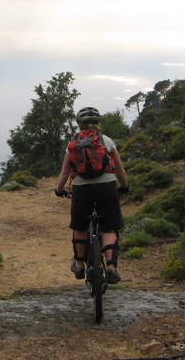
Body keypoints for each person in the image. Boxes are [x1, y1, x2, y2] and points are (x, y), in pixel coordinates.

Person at [54, 106, 128, 284]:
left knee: (79, 227)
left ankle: (79, 264)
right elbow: (119, 168)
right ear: (98, 123)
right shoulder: (107, 141)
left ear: (79, 125)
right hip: (106, 187)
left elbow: (65, 173)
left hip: (81, 189)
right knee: (109, 227)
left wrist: (59, 189)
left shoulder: (72, 144)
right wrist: (124, 185)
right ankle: (111, 268)